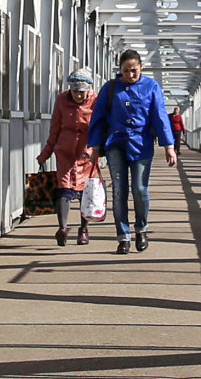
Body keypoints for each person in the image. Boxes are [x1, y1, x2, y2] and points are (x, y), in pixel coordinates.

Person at [82, 48, 178, 253]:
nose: (130, 74)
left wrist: (169, 146)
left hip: (141, 144)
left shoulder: (151, 87)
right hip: (115, 142)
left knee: (139, 188)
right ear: (120, 69)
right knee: (119, 190)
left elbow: (160, 116)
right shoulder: (110, 88)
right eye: (126, 70)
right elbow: (98, 117)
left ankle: (141, 229)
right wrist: (95, 147)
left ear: (141, 67)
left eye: (134, 70)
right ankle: (123, 236)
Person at [42, 68, 99, 245]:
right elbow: (55, 128)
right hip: (65, 152)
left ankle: (84, 229)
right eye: (75, 91)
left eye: (82, 92)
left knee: (86, 191)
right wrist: (46, 152)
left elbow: (101, 127)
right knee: (63, 187)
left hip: (87, 154)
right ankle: (62, 228)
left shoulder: (96, 101)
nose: (78, 95)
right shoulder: (61, 100)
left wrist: (98, 149)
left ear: (88, 90)